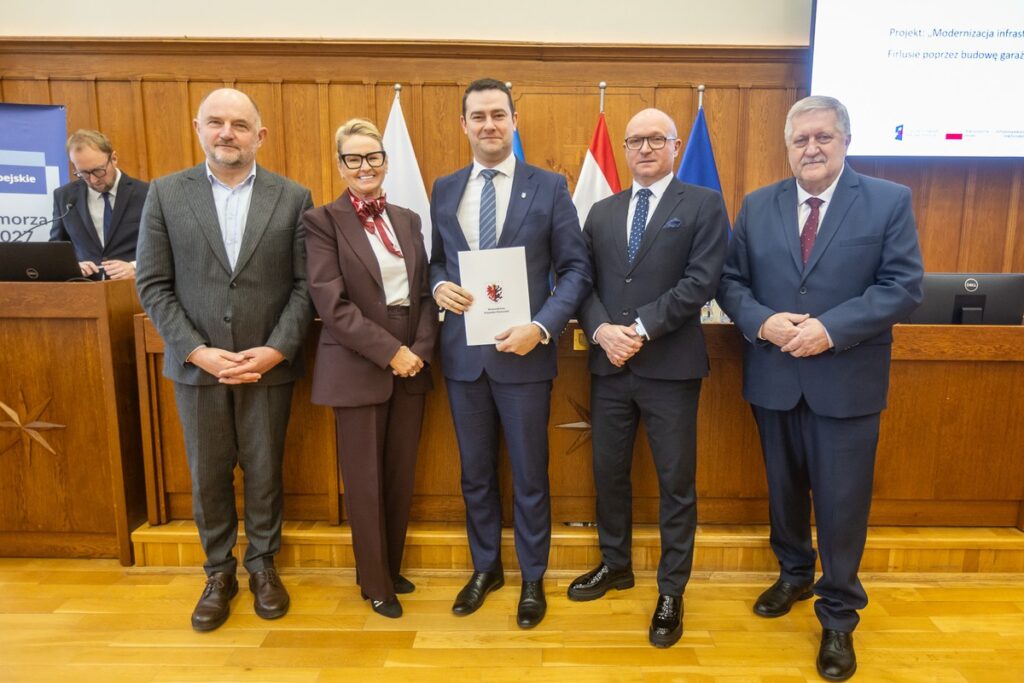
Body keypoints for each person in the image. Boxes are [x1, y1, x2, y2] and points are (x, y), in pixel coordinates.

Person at [716, 95, 923, 681]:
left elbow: (903, 286)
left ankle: (838, 616)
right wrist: (762, 321)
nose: (811, 148)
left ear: (845, 141)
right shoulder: (758, 205)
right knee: (784, 492)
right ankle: (793, 574)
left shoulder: (887, 200)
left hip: (846, 382)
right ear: (787, 147)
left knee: (841, 502)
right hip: (774, 376)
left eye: (823, 137)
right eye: (800, 139)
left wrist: (830, 330)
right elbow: (730, 282)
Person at [136, 88, 315, 632]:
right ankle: (218, 572)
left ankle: (262, 565)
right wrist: (197, 351)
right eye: (215, 122)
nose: (226, 133)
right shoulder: (166, 194)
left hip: (267, 366)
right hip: (197, 369)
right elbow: (153, 283)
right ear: (198, 128)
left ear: (260, 135)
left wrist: (277, 348)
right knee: (208, 475)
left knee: (264, 471)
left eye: (239, 124)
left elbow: (306, 285)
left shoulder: (293, 197)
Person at [429, 78, 592, 628]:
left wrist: (542, 327)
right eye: (478, 116)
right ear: (464, 125)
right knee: (475, 474)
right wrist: (437, 286)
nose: (489, 125)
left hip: (525, 356)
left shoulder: (549, 186)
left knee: (529, 475)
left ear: (514, 121)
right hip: (463, 356)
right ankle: (486, 569)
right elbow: (436, 260)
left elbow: (575, 269)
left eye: (498, 114)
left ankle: (532, 577)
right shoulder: (445, 188)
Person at [571, 108, 728, 648]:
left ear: (676, 146)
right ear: (624, 147)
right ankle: (615, 564)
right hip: (609, 366)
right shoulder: (602, 211)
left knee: (675, 483)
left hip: (670, 368)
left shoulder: (703, 204)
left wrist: (637, 329)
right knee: (609, 473)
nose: (644, 148)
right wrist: (601, 331)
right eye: (635, 140)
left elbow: (701, 281)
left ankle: (671, 590)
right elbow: (581, 281)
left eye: (656, 139)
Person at [304, 118, 437, 619]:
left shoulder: (408, 219)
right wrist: (390, 352)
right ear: (340, 165)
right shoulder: (322, 221)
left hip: (412, 360)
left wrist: (419, 349)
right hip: (359, 360)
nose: (366, 166)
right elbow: (332, 305)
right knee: (364, 481)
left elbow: (424, 292)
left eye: (373, 157)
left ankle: (389, 568)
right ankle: (375, 583)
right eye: (354, 158)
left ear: (385, 161)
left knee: (399, 476)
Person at [50, 129, 148, 280]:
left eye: (98, 171)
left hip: (133, 286)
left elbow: (165, 246)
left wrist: (136, 267)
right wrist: (72, 266)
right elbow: (57, 249)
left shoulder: (147, 193)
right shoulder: (64, 197)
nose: (94, 180)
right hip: (86, 289)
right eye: (83, 173)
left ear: (113, 159)